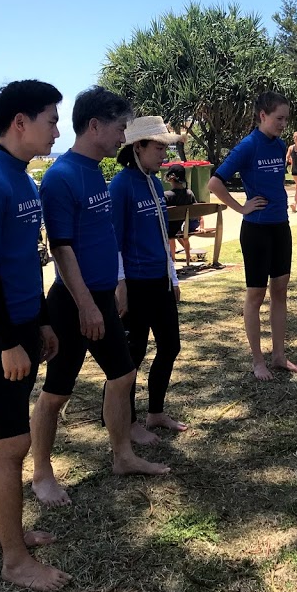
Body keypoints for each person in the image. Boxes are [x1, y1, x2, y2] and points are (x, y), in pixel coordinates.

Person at [0, 79, 71, 591]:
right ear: (19, 122)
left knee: (0, 429)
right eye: (51, 119)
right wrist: (8, 342)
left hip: (23, 322)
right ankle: (15, 560)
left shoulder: (22, 178)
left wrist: (42, 320)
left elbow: (25, 260)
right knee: (13, 443)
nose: (57, 129)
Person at [32, 87, 169, 508]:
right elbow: (62, 248)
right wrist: (87, 305)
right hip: (73, 303)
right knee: (56, 394)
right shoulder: (62, 175)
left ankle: (122, 456)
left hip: (103, 298)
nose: (123, 138)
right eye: (119, 129)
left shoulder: (95, 171)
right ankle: (41, 473)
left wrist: (114, 289)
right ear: (94, 126)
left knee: (123, 375)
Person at [208, 92, 297, 381]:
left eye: (286, 119)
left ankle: (278, 355)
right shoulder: (248, 146)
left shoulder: (279, 147)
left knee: (280, 291)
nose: (283, 124)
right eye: (278, 118)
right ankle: (257, 360)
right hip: (256, 229)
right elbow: (215, 182)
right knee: (256, 295)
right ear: (262, 115)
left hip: (280, 226)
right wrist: (241, 207)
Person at [110, 117, 187, 442]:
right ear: (137, 148)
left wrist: (173, 276)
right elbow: (113, 239)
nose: (163, 155)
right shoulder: (121, 185)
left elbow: (160, 235)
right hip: (135, 285)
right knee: (132, 357)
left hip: (160, 281)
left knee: (170, 346)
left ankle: (156, 412)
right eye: (158, 148)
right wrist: (121, 284)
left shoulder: (156, 184)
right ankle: (126, 423)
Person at [164, 164, 202, 263]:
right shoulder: (189, 194)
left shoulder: (167, 196)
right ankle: (186, 257)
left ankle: (172, 258)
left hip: (170, 230)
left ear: (170, 178)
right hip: (185, 227)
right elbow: (197, 211)